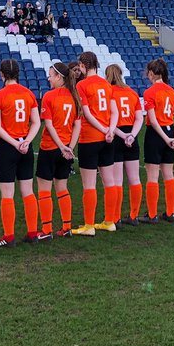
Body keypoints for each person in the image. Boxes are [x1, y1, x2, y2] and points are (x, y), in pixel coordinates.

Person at [0, 59, 41, 247]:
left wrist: (13, 143)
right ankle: (32, 232)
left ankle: (9, 236)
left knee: (7, 193)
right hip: (25, 147)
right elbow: (36, 121)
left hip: (7, 147)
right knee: (28, 192)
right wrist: (27, 141)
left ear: (2, 74)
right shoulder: (28, 94)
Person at [72, 51, 117, 236]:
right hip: (107, 138)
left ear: (83, 65)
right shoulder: (106, 84)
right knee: (109, 182)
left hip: (90, 138)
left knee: (89, 184)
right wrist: (110, 130)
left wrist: (103, 129)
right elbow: (114, 112)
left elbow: (88, 115)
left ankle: (89, 225)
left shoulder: (82, 85)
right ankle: (109, 221)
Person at [37, 62, 81, 239]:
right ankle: (67, 227)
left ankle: (46, 230)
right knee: (62, 188)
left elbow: (49, 125)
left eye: (51, 75)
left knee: (44, 189)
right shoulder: (74, 96)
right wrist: (69, 146)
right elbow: (77, 125)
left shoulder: (49, 96)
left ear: (59, 77)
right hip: (66, 150)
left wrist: (61, 145)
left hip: (50, 147)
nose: (48, 78)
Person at [141, 58, 174, 223]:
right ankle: (170, 212)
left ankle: (152, 215)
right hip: (170, 131)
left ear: (151, 73)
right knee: (168, 174)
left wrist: (165, 138)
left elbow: (153, 120)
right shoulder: (173, 92)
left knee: (152, 175)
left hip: (156, 135)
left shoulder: (149, 93)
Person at [105, 63, 143, 226]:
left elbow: (109, 119)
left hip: (116, 136)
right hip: (131, 137)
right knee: (135, 178)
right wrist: (132, 135)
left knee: (117, 180)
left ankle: (116, 217)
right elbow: (139, 118)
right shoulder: (132, 93)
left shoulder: (109, 93)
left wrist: (122, 135)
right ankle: (134, 215)